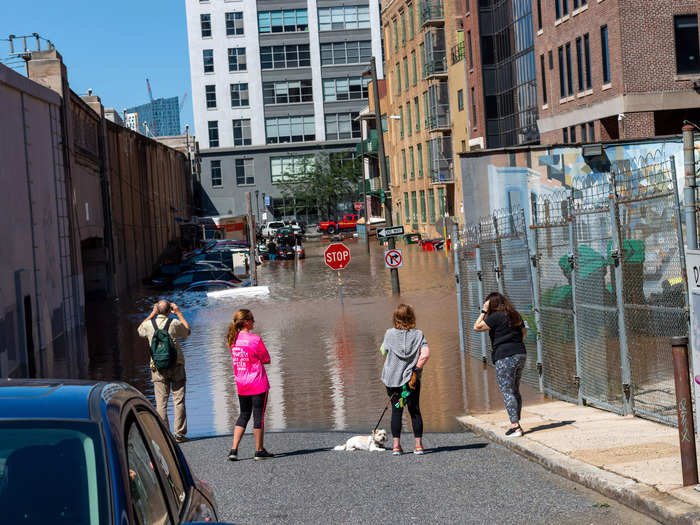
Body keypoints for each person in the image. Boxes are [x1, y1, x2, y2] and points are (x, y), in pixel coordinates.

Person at [473, 292, 527, 437]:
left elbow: (477, 327)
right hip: (520, 354)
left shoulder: (495, 317)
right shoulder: (514, 314)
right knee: (515, 390)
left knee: (507, 391)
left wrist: (484, 311)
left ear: (491, 305)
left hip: (504, 356)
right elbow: (524, 333)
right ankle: (517, 422)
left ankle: (515, 427)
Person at [137, 300, 191, 443]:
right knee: (178, 401)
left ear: (157, 310)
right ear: (169, 311)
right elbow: (187, 331)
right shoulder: (173, 323)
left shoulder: (149, 325)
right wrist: (178, 313)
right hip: (176, 366)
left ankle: (164, 436)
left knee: (161, 403)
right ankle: (179, 434)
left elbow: (139, 330)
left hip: (158, 368)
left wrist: (152, 314)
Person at [380, 304, 430, 455]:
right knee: (414, 410)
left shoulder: (389, 334)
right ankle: (418, 446)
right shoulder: (418, 334)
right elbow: (426, 354)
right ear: (411, 317)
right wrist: (416, 368)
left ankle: (396, 446)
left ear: (395, 318)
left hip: (393, 381)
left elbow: (383, 351)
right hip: (409, 383)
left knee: (397, 410)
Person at [227, 309, 273, 461]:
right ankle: (259, 450)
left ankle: (233, 450)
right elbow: (266, 359)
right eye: (252, 319)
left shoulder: (232, 340)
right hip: (257, 383)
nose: (254, 322)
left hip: (242, 383)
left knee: (243, 415)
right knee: (258, 416)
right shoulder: (255, 339)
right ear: (246, 322)